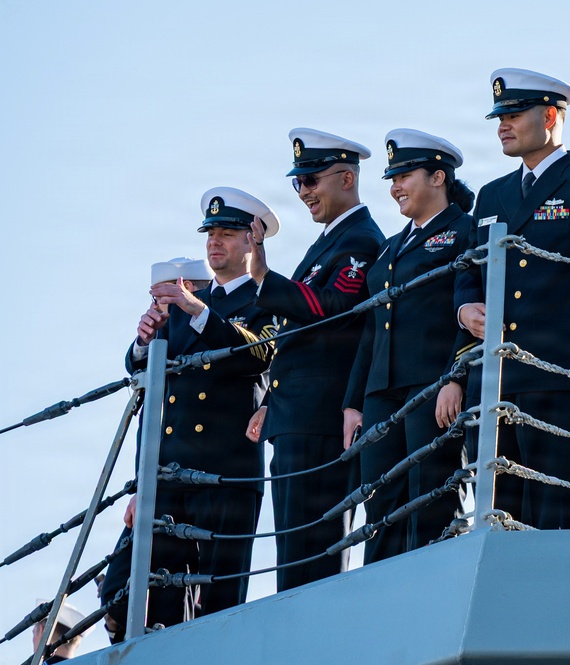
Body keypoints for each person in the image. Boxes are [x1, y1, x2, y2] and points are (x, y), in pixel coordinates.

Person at [455, 68, 570, 530]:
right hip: (491, 379)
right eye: (499, 118)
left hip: (554, 371)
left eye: (513, 115)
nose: (502, 126)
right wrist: (465, 307)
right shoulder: (491, 194)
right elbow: (468, 271)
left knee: (552, 518)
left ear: (550, 115)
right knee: (493, 519)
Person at [103, 189, 278, 634]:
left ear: (251, 241)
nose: (215, 242)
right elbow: (146, 378)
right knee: (124, 596)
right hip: (172, 475)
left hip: (226, 476)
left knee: (218, 609)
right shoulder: (190, 309)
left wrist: (194, 309)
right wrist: (145, 341)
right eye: (211, 233)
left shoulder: (269, 300)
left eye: (228, 233)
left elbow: (254, 354)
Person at [247, 129, 384, 590]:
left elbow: (331, 307)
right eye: (297, 183)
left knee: (313, 558)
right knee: (292, 559)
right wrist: (272, 401)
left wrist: (265, 278)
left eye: (311, 180)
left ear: (346, 178)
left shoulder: (362, 240)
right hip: (294, 417)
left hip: (322, 419)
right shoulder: (328, 242)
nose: (304, 192)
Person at [342, 129, 477, 563]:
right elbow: (371, 330)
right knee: (380, 503)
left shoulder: (465, 232)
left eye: (404, 175)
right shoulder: (389, 250)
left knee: (431, 497)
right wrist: (354, 403)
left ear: (438, 177)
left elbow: (471, 312)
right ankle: (381, 603)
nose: (395, 186)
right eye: (391, 178)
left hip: (433, 385)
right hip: (382, 392)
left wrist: (456, 379)